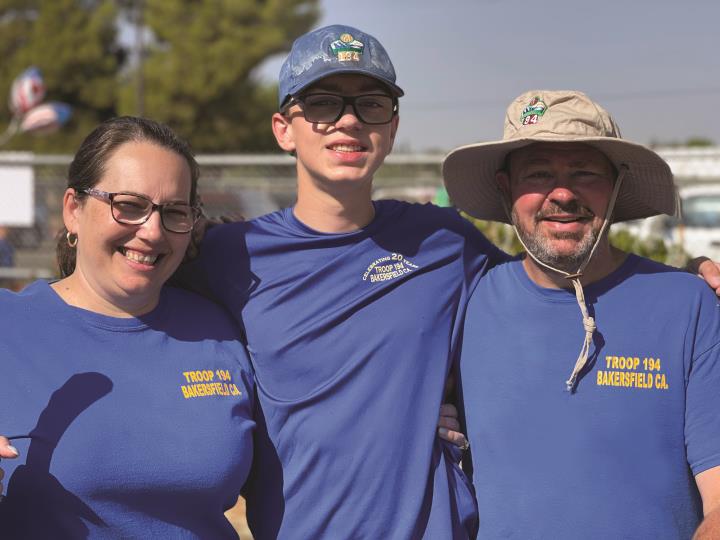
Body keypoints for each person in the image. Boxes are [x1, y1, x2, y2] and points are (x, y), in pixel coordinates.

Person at [178, 24, 506, 539]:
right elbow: (115, 322)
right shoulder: (227, 255)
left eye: (371, 104)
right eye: (323, 103)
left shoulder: (445, 242)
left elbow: (542, 306)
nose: (348, 121)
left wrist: (457, 403)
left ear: (392, 128)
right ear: (284, 129)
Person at [443, 90, 720, 539]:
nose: (563, 193)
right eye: (538, 174)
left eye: (584, 172)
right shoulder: (463, 301)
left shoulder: (689, 306)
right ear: (505, 188)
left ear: (617, 185)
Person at [0, 116, 255, 537]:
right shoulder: (9, 327)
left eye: (174, 212)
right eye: (129, 206)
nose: (152, 232)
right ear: (73, 211)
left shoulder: (223, 327)